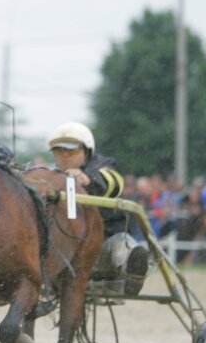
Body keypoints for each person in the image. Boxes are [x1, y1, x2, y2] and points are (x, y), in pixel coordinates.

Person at [48, 121, 149, 294]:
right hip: (65, 249)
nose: (64, 155)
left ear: (87, 150)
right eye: (59, 151)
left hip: (104, 243)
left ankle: (133, 270)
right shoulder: (49, 175)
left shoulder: (105, 165)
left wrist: (88, 180)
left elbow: (114, 183)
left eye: (71, 150)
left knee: (121, 244)